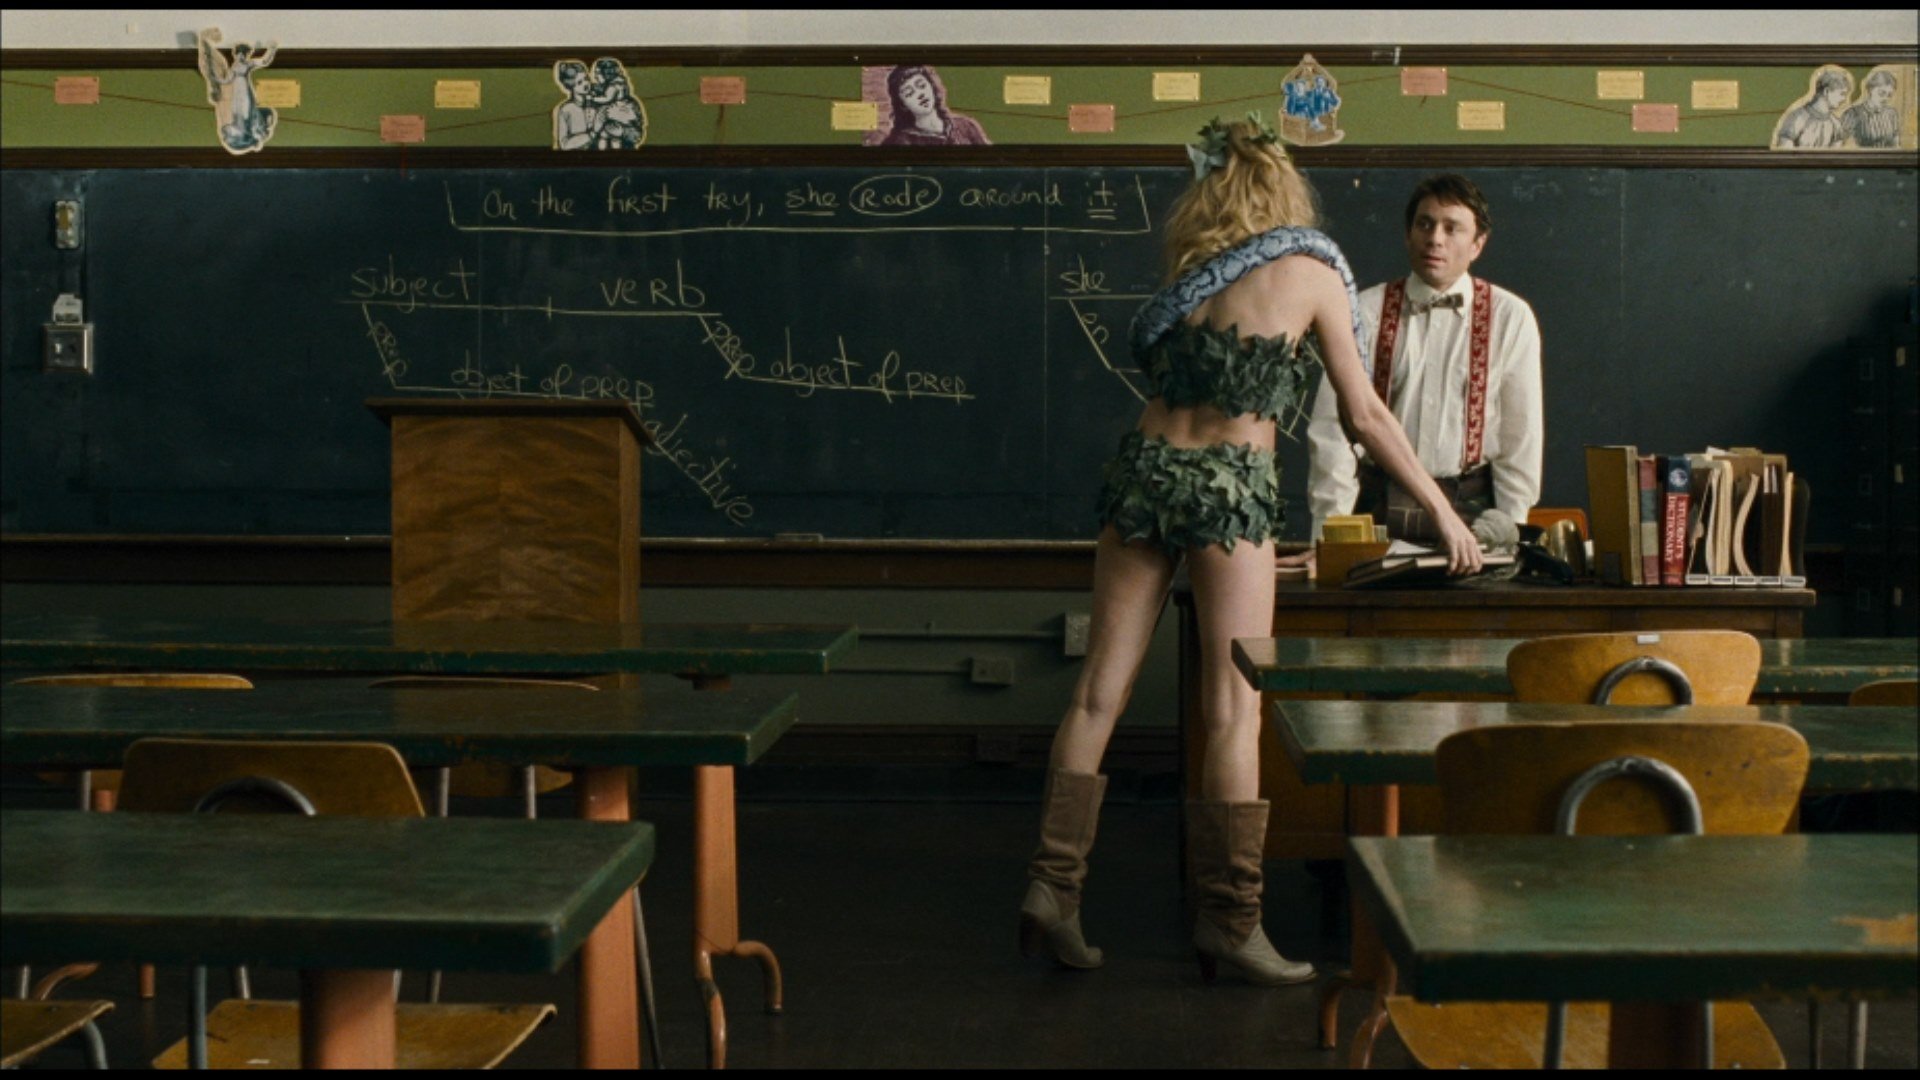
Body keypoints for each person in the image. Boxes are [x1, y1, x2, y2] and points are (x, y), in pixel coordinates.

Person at [1018, 116, 1481, 986]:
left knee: (1096, 696)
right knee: (1234, 710)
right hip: (1231, 487)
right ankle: (1231, 921)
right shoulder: (1310, 272)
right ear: (1282, 191)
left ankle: (1052, 888)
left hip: (1144, 472)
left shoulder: (1192, 276)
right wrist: (1441, 510)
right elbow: (1364, 415)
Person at [1301, 174, 1543, 555]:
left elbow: (1520, 440)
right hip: (1377, 509)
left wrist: (1509, 534)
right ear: (1408, 234)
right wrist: (1329, 538)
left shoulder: (1510, 317)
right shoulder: (1364, 310)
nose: (1435, 239)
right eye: (1425, 225)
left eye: (1452, 228)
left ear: (1478, 244)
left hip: (1473, 515)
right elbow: (1333, 433)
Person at [880, 64, 990, 146]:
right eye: (909, 93)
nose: (920, 95)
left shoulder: (965, 126)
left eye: (921, 85)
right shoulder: (899, 142)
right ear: (902, 104)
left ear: (932, 86)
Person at [1775, 67, 1852, 149]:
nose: (1845, 99)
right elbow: (1785, 153)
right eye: (1842, 94)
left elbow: (1835, 155)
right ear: (1826, 91)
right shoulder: (1797, 118)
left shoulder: (1836, 125)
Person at [1843, 69, 1901, 148]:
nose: (1885, 98)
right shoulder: (1853, 113)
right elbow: (1842, 145)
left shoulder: (1891, 113)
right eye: (1881, 93)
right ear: (1870, 90)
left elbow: (1896, 144)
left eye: (1889, 95)